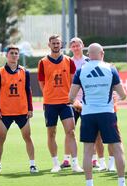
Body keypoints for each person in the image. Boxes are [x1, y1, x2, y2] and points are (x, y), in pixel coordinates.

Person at [69, 43, 127, 186]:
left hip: (88, 113)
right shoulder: (110, 69)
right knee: (117, 148)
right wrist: (114, 96)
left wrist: (80, 105)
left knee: (87, 151)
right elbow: (123, 95)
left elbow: (71, 97)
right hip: (107, 113)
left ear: (88, 54)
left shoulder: (81, 70)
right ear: (102, 53)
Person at [37, 34, 83, 173]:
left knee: (71, 131)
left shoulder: (69, 61)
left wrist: (72, 98)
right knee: (51, 133)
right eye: (53, 43)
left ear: (61, 44)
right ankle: (55, 163)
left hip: (66, 103)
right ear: (49, 45)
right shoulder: (43, 62)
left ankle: (75, 163)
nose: (56, 45)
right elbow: (41, 82)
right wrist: (48, 95)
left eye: (58, 43)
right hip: (50, 103)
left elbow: (73, 81)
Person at [0, 45, 38, 174]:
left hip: (22, 111)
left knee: (27, 137)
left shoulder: (25, 72)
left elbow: (28, 91)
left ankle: (32, 164)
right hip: (5, 112)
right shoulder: (0, 72)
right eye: (11, 53)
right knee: (0, 139)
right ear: (6, 55)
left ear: (19, 56)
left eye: (16, 53)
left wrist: (30, 108)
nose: (14, 55)